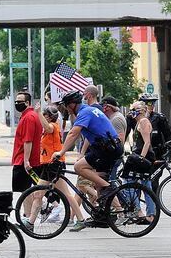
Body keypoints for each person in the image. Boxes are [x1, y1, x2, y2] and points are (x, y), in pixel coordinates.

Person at [52, 90, 123, 228]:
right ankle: (118, 212)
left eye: (67, 105)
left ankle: (108, 188)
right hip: (107, 148)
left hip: (107, 149)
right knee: (99, 182)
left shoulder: (84, 113)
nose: (66, 108)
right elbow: (87, 136)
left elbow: (73, 133)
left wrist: (61, 152)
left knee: (79, 167)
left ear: (73, 104)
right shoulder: (88, 110)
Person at [29, 103, 85, 230]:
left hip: (55, 164)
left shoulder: (53, 126)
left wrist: (37, 112)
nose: (42, 116)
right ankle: (31, 222)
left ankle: (81, 219)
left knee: (66, 194)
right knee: (38, 193)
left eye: (44, 115)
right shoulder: (47, 129)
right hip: (47, 165)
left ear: (49, 117)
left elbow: (48, 128)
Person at [13, 92, 42, 227]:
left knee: (25, 190)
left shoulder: (29, 117)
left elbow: (28, 140)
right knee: (27, 189)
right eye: (16, 101)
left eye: (20, 101)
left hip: (25, 160)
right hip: (26, 159)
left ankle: (28, 217)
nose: (17, 104)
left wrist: (26, 161)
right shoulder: (29, 116)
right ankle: (27, 216)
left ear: (28, 103)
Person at [128, 102, 157, 224]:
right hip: (138, 155)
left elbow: (147, 143)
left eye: (133, 109)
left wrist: (141, 159)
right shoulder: (139, 122)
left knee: (130, 183)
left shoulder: (144, 122)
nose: (131, 112)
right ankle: (145, 213)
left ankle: (144, 213)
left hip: (143, 157)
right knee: (143, 185)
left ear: (139, 110)